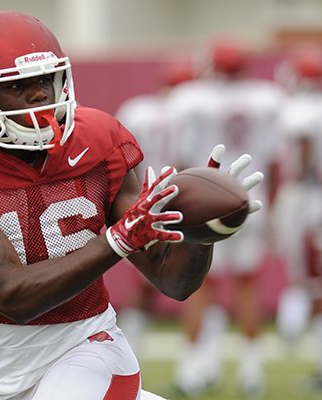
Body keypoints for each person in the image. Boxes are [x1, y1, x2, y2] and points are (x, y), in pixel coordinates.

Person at [0, 11, 263, 400]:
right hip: (15, 365)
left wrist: (201, 232)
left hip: (94, 347)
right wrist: (116, 241)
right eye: (18, 85)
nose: (40, 94)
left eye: (46, 80)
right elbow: (11, 296)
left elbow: (174, 281)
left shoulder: (98, 141)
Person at [168, 38, 285, 397]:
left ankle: (194, 368)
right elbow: (277, 162)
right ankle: (252, 372)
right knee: (247, 285)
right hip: (252, 197)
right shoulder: (267, 98)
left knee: (200, 285)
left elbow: (185, 161)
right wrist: (274, 206)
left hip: (207, 201)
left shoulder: (191, 99)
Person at [274, 46, 322, 390]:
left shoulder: (299, 111)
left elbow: (304, 153)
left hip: (309, 199)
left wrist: (307, 192)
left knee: (318, 284)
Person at [113, 59, 195, 359]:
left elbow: (124, 159)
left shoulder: (139, 110)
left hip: (143, 200)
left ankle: (130, 350)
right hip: (182, 201)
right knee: (194, 282)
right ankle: (195, 363)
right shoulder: (195, 112)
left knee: (144, 280)